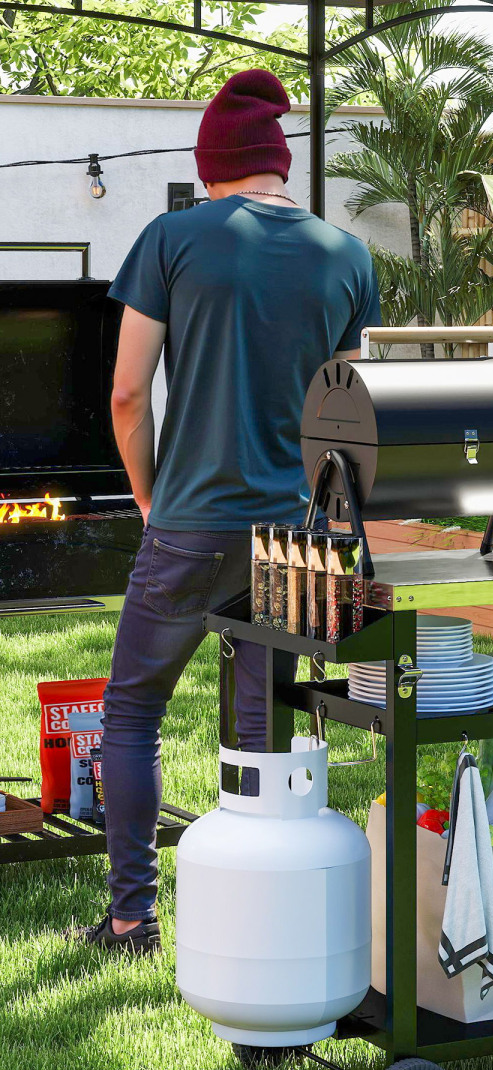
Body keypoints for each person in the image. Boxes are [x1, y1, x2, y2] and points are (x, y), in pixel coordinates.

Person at [73, 70, 382, 954]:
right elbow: (346, 410)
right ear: (279, 165)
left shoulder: (173, 239)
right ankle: (267, 919)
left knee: (133, 711)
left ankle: (132, 917)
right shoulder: (346, 254)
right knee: (265, 725)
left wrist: (147, 494)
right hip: (298, 534)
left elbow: (128, 393)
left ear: (211, 167)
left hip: (192, 520)